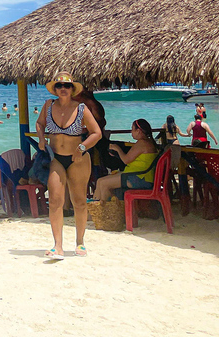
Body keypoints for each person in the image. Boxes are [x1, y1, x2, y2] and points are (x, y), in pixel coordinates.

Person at [36, 72, 101, 259]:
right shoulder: (48, 106)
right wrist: (41, 139)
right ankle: (58, 245)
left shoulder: (81, 108)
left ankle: (80, 242)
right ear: (55, 89)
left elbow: (95, 132)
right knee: (55, 200)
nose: (63, 89)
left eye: (66, 86)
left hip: (78, 159)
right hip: (56, 157)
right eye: (59, 86)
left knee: (79, 201)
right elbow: (40, 123)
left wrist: (82, 147)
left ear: (72, 89)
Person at [94, 119, 159, 201]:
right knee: (100, 181)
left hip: (138, 179)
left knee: (103, 183)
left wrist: (118, 149)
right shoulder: (149, 142)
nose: (131, 132)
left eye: (132, 129)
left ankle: (103, 209)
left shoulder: (141, 143)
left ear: (138, 131)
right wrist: (118, 154)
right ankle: (102, 207)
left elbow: (126, 160)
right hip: (141, 176)